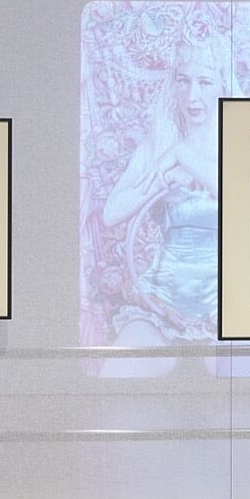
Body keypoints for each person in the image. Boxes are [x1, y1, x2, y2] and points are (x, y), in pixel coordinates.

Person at [102, 41, 222, 345]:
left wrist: (182, 154)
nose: (192, 96)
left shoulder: (235, 137)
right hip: (161, 298)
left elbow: (237, 196)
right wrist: (164, 178)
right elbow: (110, 213)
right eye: (184, 81)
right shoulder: (158, 142)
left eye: (205, 82)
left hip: (225, 300)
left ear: (221, 83)